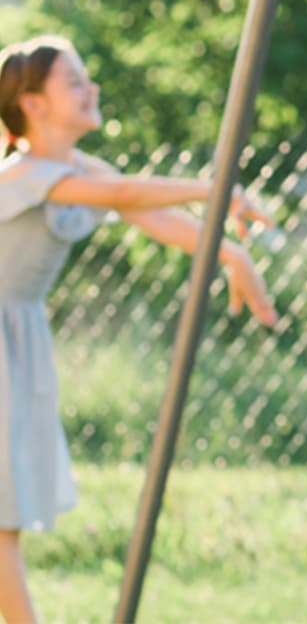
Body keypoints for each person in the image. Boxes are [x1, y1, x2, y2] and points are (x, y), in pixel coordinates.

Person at [0, 35, 279, 624]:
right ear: (33, 103)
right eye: (74, 81)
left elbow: (147, 212)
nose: (91, 87)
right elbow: (124, 193)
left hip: (18, 338)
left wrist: (231, 253)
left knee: (9, 509)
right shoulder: (23, 171)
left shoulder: (80, 167)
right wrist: (215, 187)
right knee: (3, 520)